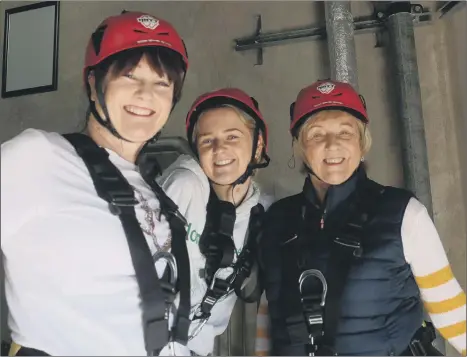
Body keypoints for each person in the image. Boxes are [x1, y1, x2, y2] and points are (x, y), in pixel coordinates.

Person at [1, 11, 192, 356]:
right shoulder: (38, 158)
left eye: (162, 83)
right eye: (130, 76)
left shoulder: (153, 188)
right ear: (93, 84)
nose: (146, 94)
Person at [255, 80, 466, 356]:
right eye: (317, 135)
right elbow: (269, 313)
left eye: (345, 132)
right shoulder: (277, 219)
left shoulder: (403, 213)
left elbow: (450, 311)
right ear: (299, 147)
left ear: (362, 143)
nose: (332, 145)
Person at [157, 88, 271, 356]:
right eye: (207, 141)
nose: (220, 149)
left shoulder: (263, 211)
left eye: (233, 136)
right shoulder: (184, 187)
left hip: (196, 348)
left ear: (257, 145)